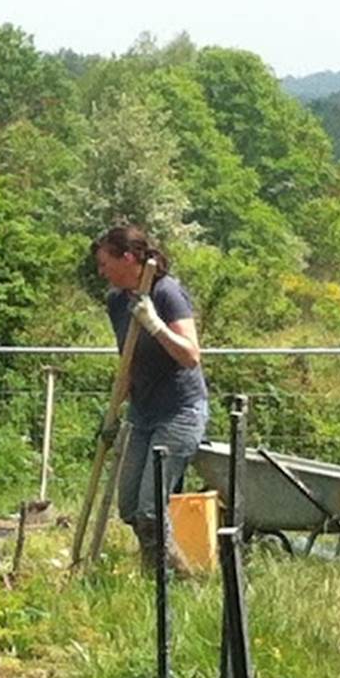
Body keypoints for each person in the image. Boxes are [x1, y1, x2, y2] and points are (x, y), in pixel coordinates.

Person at [92, 224, 209, 568]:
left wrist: (155, 325)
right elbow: (128, 362)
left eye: (105, 263)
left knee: (150, 509)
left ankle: (166, 580)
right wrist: (112, 414)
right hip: (141, 413)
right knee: (130, 507)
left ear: (128, 258)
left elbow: (190, 356)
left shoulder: (166, 292)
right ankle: (165, 570)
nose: (101, 272)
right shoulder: (117, 301)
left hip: (179, 411)